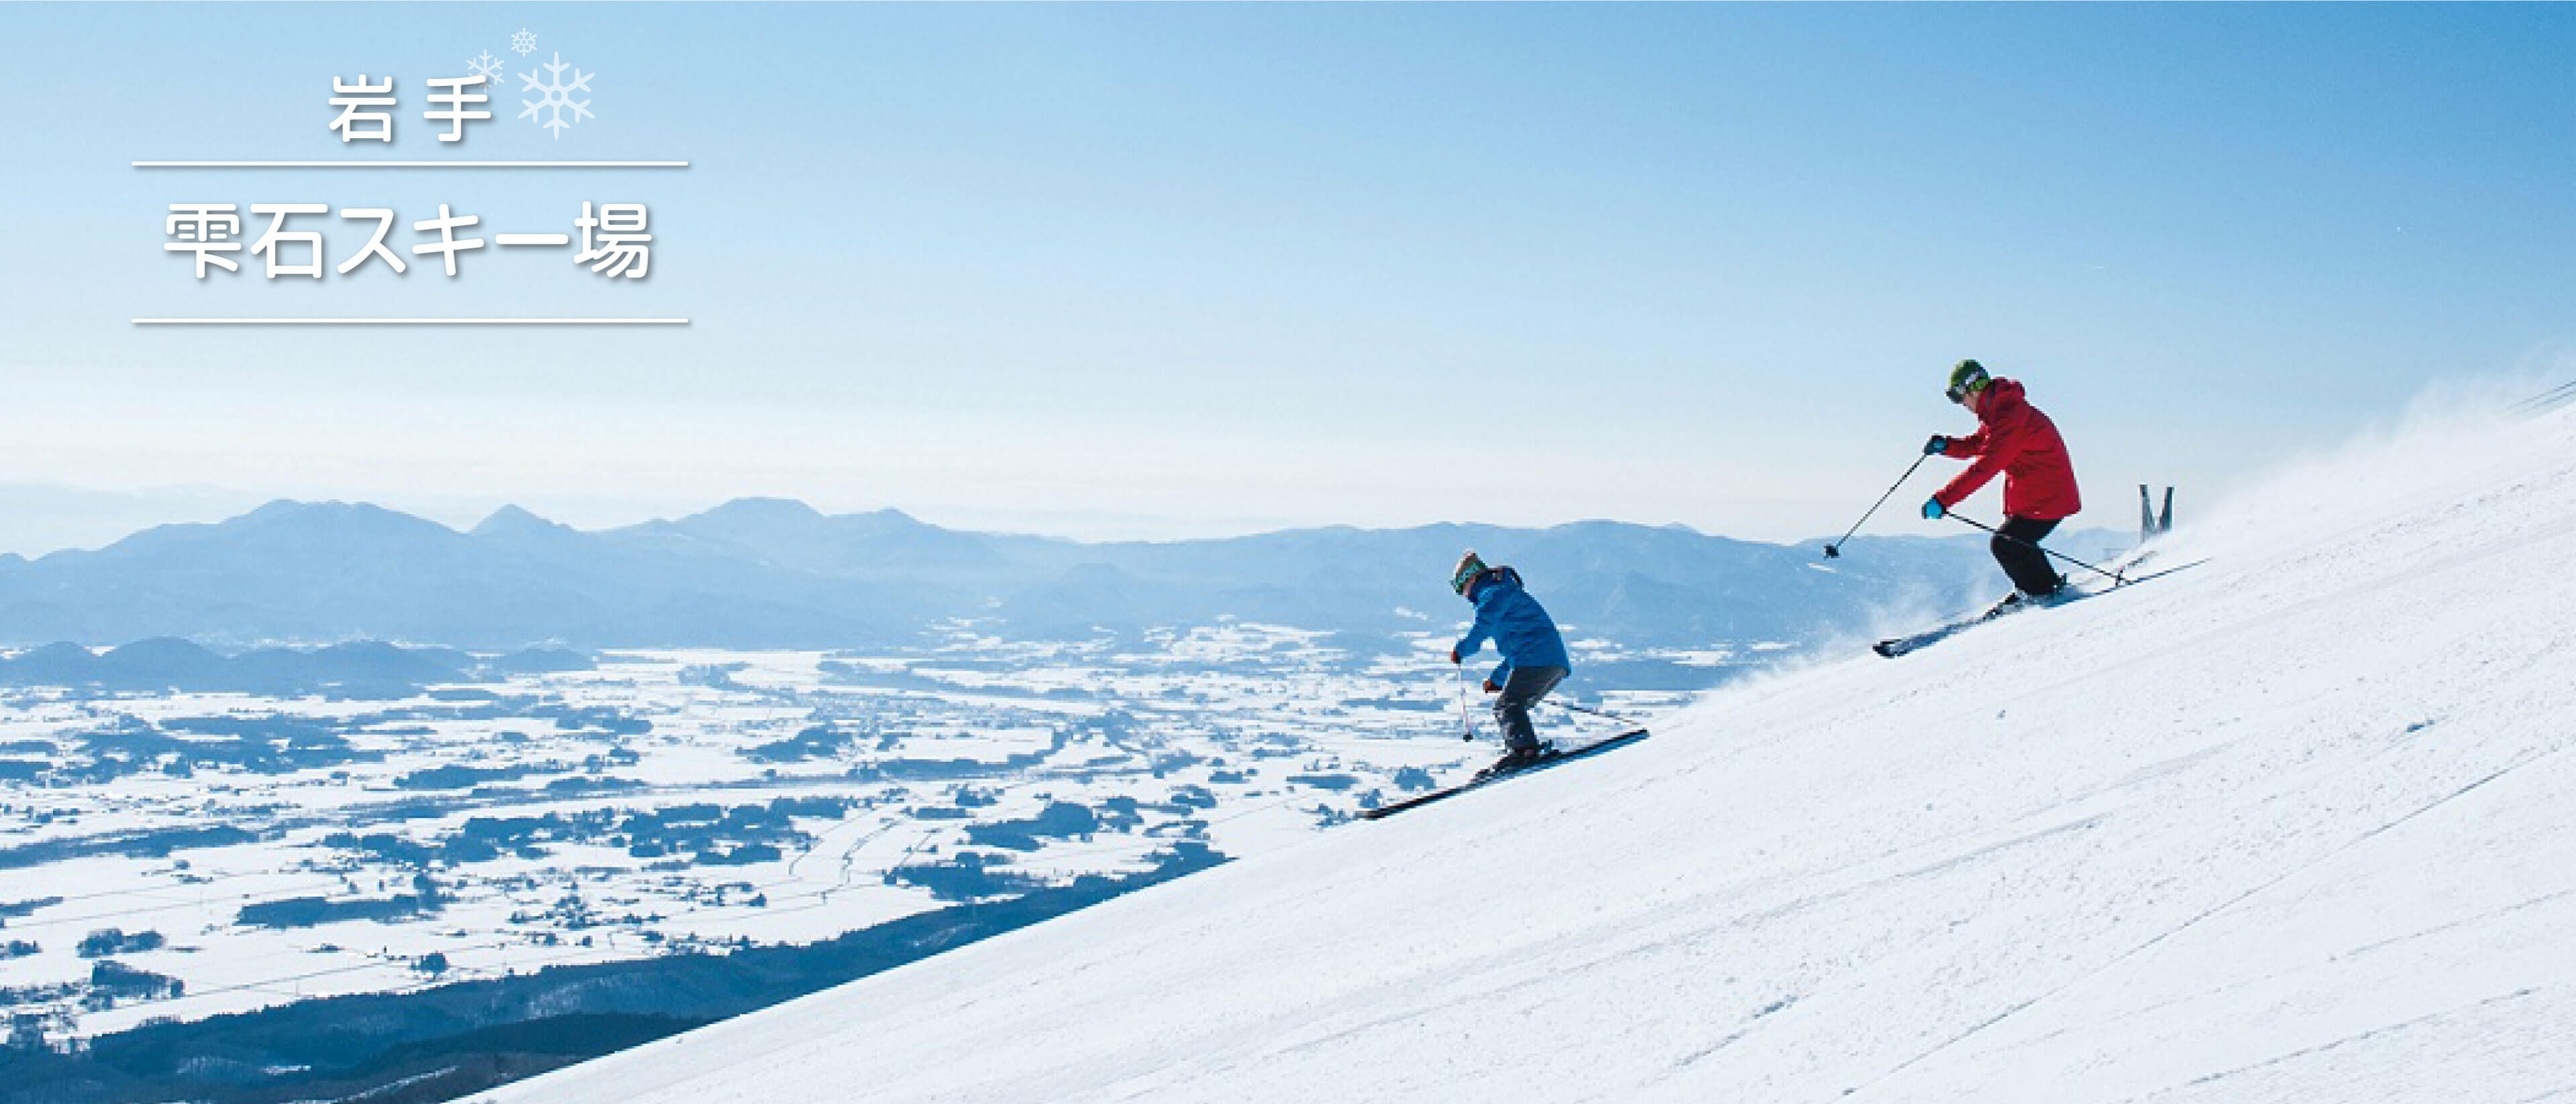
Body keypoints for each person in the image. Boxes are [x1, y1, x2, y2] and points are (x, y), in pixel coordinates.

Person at [1921, 359, 2083, 604]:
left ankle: (2041, 596)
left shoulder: (2009, 416)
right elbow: (1980, 445)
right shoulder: (1999, 412)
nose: (1961, 404)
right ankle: (2047, 588)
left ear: (1973, 388)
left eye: (1959, 397)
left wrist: (1943, 500)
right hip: (2041, 496)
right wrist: (1947, 446)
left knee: (2006, 544)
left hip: (2047, 498)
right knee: (2018, 542)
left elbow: (1987, 466)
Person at [1448, 551, 1573, 775]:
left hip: (1539, 660)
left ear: (1471, 578)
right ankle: (1525, 748)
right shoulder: (1502, 593)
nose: (1462, 594)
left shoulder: (1492, 596)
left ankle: (1524, 751)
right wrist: (1497, 679)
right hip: (1548, 661)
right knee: (1513, 703)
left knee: (1507, 705)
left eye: (1460, 587)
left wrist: (1461, 650)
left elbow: (1482, 628)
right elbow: (1518, 652)